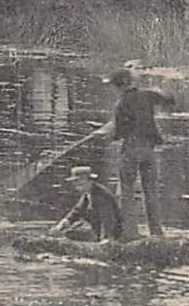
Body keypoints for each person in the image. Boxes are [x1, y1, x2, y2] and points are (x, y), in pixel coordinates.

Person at [91, 67, 174, 238]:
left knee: (126, 192)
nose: (112, 89)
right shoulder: (147, 95)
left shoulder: (121, 104)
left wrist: (102, 134)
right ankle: (157, 234)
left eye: (113, 86)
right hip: (150, 151)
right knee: (150, 192)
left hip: (131, 150)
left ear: (119, 86)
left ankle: (130, 234)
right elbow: (169, 100)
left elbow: (120, 132)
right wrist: (158, 87)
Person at [50, 166, 125, 242]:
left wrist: (106, 238)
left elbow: (107, 218)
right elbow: (77, 211)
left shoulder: (101, 195)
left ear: (90, 181)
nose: (78, 186)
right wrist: (64, 222)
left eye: (80, 183)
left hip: (113, 233)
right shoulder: (88, 193)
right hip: (96, 229)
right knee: (69, 233)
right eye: (76, 183)